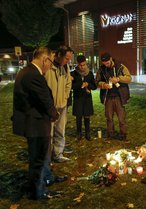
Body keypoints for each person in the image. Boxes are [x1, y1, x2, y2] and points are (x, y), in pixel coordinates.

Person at [12, 47, 61, 200]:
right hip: (36, 124)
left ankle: (47, 178)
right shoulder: (33, 75)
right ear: (45, 59)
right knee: (38, 159)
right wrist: (54, 114)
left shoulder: (27, 72)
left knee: (41, 156)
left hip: (34, 122)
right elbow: (44, 99)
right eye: (51, 63)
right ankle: (38, 192)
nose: (50, 66)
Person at [44, 46, 73, 163]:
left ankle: (58, 154)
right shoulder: (48, 66)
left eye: (69, 59)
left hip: (62, 105)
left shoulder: (65, 67)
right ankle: (47, 156)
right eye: (66, 58)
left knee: (60, 131)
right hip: (50, 107)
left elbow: (68, 83)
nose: (68, 61)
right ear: (59, 55)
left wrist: (65, 98)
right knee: (48, 133)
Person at [95, 52, 132, 141]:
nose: (106, 65)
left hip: (119, 97)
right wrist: (104, 85)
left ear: (111, 59)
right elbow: (97, 82)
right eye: (104, 63)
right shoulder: (101, 69)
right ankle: (110, 135)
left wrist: (119, 79)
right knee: (109, 118)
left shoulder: (120, 66)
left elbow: (129, 78)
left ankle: (123, 135)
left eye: (107, 63)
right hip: (108, 97)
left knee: (121, 118)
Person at [71, 55, 96, 140]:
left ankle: (87, 133)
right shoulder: (74, 74)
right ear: (78, 64)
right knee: (78, 116)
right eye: (81, 65)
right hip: (78, 98)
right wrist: (80, 84)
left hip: (87, 98)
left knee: (87, 116)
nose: (82, 67)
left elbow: (94, 86)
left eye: (84, 65)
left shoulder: (90, 73)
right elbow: (71, 86)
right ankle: (79, 133)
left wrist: (88, 85)